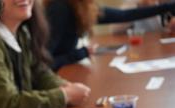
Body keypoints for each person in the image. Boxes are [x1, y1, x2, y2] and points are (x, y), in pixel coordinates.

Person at [44, 0, 175, 70]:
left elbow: (124, 15)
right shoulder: (59, 8)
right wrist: (81, 53)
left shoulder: (80, 6)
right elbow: (44, 63)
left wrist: (166, 7)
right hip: (54, 77)